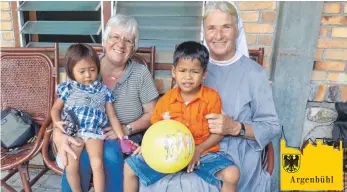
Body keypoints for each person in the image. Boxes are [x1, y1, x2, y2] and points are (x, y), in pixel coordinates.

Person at [139, 1, 280, 192]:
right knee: (151, 180)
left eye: (226, 27)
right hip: (187, 150)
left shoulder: (254, 74)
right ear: (204, 31)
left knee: (195, 184)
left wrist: (235, 127)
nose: (218, 35)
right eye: (211, 28)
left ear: (237, 30)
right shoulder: (191, 67)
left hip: (234, 155)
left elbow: (272, 128)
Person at [52, 14, 159, 192]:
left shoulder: (140, 73)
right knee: (75, 156)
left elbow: (153, 113)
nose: (120, 44)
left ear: (134, 47)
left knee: (109, 154)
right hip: (80, 132)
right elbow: (63, 109)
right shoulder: (87, 67)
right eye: (115, 37)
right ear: (105, 40)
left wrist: (126, 129)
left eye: (128, 40)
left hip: (123, 136)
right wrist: (59, 135)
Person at [124, 41, 240, 192]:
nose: (188, 77)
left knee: (232, 174)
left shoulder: (212, 98)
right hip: (169, 154)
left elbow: (218, 133)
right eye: (183, 70)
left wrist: (198, 149)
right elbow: (156, 130)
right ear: (174, 72)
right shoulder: (166, 100)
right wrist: (147, 146)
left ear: (204, 74)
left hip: (203, 154)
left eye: (195, 72)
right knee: (129, 167)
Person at [51, 43, 138, 192]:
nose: (88, 75)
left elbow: (112, 116)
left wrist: (122, 137)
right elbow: (56, 108)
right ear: (71, 71)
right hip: (74, 132)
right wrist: (56, 123)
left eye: (92, 70)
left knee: (97, 164)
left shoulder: (103, 90)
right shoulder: (68, 88)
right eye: (82, 71)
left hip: (94, 132)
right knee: (71, 164)